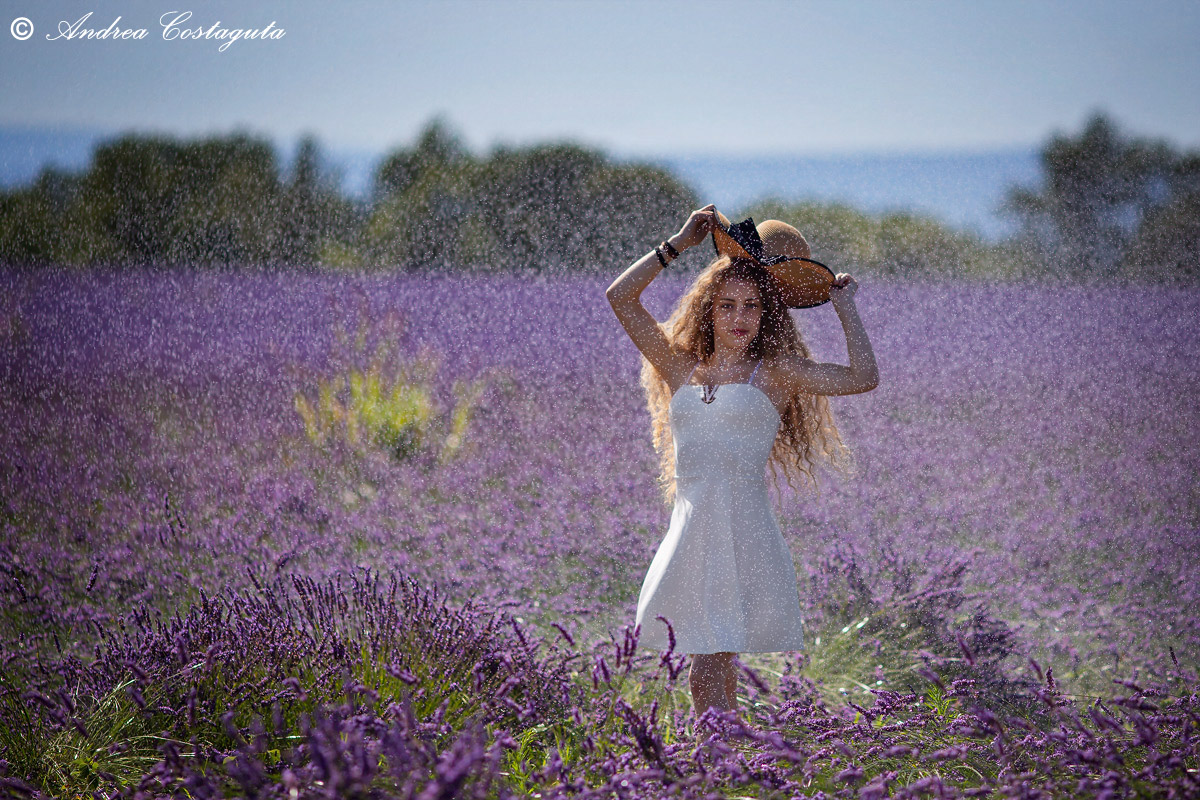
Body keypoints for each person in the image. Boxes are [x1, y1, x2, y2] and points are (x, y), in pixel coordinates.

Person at [604, 203, 879, 722]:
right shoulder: (679, 366)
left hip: (743, 533)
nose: (738, 318)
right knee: (710, 666)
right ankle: (723, 757)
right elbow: (620, 297)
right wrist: (677, 244)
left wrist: (845, 308)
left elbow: (863, 377)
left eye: (751, 306)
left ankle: (717, 757)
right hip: (691, 529)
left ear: (767, 312)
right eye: (727, 305)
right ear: (708, 309)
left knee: (710, 665)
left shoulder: (776, 373)